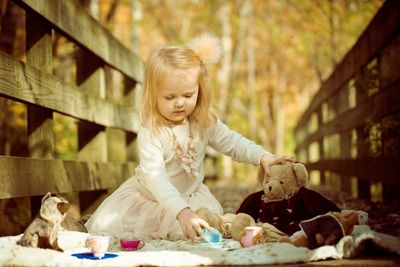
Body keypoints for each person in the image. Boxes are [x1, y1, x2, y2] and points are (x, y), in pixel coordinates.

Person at [85, 33, 294, 242]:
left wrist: (263, 157)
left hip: (192, 197)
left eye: (188, 95)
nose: (179, 103)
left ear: (199, 91)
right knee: (127, 231)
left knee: (201, 229)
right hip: (151, 199)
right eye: (170, 97)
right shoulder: (152, 130)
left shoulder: (202, 121)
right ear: (153, 94)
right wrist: (183, 212)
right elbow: (155, 177)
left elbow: (232, 142)